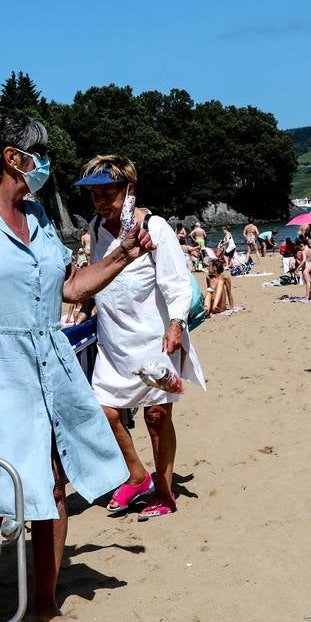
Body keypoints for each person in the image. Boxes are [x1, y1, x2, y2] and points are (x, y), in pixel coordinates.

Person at [0, 108, 152, 622]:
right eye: (38, 153)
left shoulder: (40, 217)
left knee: (55, 479)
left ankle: (44, 600)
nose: (46, 163)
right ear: (12, 158)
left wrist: (125, 256)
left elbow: (68, 289)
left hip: (45, 362)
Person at [76, 154, 206, 523]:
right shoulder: (96, 228)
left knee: (156, 415)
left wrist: (176, 323)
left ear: (128, 190)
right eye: (94, 194)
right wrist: (84, 307)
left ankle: (164, 492)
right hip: (113, 340)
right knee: (105, 411)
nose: (101, 200)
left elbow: (176, 280)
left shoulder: (156, 227)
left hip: (154, 340)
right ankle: (136, 474)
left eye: (108, 192)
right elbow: (98, 277)